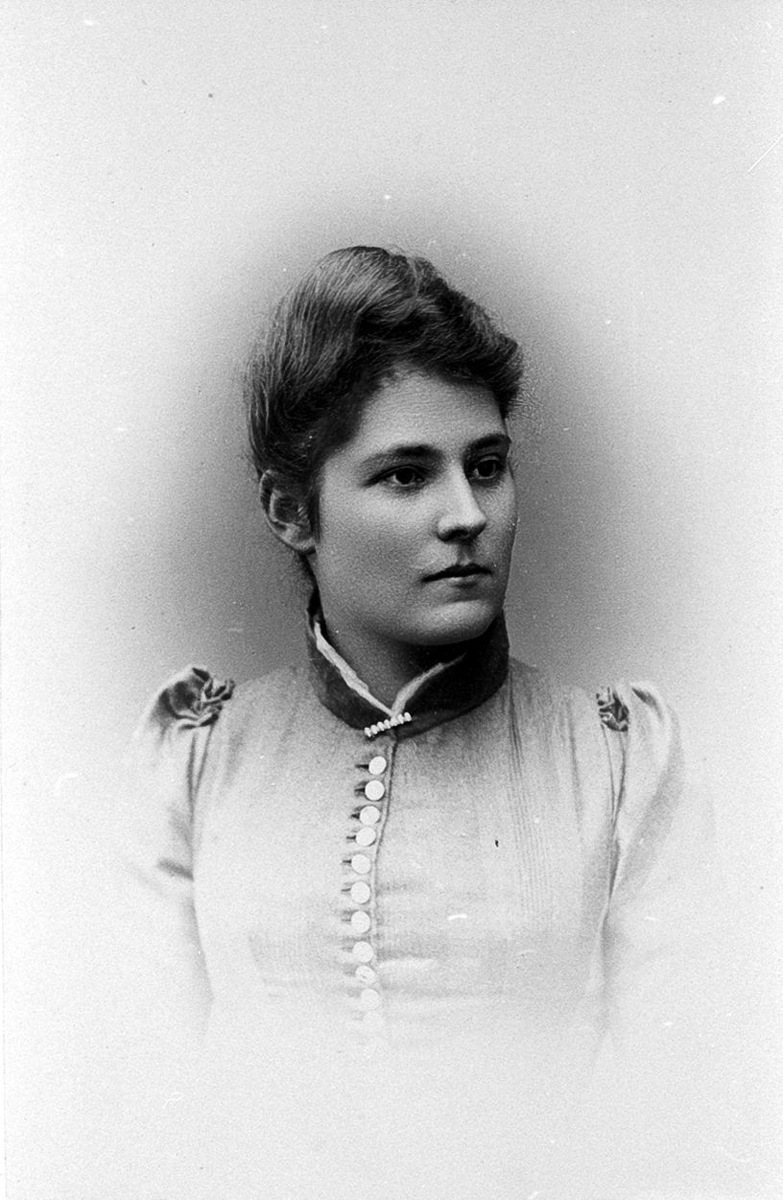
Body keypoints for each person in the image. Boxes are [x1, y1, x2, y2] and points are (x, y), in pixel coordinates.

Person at [120, 247, 720, 1199]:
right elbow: (137, 1116)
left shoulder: (620, 763)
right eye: (405, 476)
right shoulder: (197, 764)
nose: (466, 514)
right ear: (291, 511)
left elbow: (680, 1116)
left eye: (486, 467)